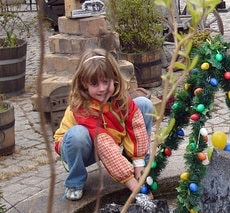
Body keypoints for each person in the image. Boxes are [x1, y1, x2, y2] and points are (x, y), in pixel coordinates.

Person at [53, 48, 155, 201]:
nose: (102, 89)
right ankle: (75, 181)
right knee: (77, 135)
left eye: (106, 82)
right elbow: (104, 144)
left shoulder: (120, 99)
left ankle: (131, 160)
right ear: (84, 85)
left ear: (114, 79)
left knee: (144, 104)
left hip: (110, 139)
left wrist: (139, 166)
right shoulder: (82, 109)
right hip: (80, 148)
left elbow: (137, 128)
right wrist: (137, 189)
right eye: (94, 84)